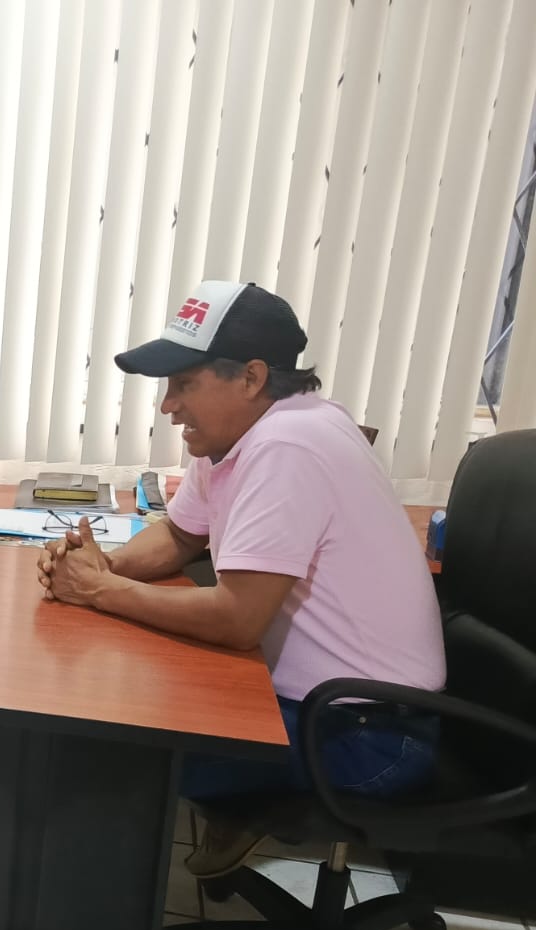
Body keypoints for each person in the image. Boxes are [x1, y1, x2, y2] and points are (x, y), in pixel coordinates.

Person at [36, 281, 445, 878]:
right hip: (320, 705)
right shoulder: (247, 433)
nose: (168, 406)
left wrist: (98, 590)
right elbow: (181, 536)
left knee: (109, 740)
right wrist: (102, 567)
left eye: (184, 384)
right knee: (116, 693)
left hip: (365, 734)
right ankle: (233, 807)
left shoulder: (289, 445)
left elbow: (236, 619)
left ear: (251, 377)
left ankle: (96, 923)